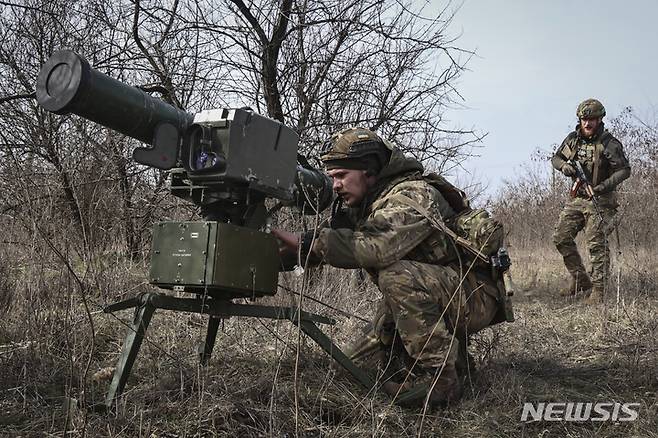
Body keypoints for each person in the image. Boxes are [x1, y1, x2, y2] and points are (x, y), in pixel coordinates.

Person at [273, 127, 504, 406]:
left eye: (341, 176)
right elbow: (324, 244)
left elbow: (375, 246)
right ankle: (458, 364)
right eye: (332, 177)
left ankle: (443, 383)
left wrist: (307, 242)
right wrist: (268, 255)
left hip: (475, 295)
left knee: (397, 277)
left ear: (369, 172)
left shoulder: (412, 195)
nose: (335, 186)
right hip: (436, 294)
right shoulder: (367, 203)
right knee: (348, 370)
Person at [551, 98, 630, 303]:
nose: (587, 123)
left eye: (592, 119)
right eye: (584, 119)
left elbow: (624, 170)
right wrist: (564, 167)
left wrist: (603, 187)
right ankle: (580, 279)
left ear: (600, 119)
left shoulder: (608, 144)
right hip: (577, 199)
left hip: (601, 201)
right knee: (561, 237)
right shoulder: (573, 140)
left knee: (596, 242)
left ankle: (599, 291)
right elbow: (556, 158)